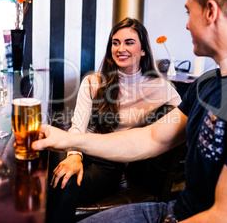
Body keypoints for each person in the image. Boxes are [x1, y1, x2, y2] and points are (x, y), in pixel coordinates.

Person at [35, 0, 227, 223]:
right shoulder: (208, 83)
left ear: (210, 12)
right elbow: (152, 138)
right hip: (175, 211)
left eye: (188, 12)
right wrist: (69, 142)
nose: (185, 25)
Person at [47, 17, 181, 222]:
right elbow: (78, 125)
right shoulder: (93, 81)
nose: (120, 48)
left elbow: (187, 116)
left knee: (63, 184)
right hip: (82, 147)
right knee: (43, 173)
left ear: (143, 49)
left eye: (129, 42)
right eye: (115, 42)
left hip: (110, 162)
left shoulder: (160, 87)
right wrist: (74, 155)